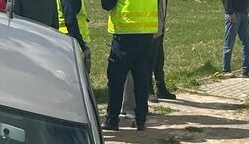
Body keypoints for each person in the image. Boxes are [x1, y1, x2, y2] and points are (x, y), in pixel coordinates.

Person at [101, 0, 158, 132]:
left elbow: (107, 4)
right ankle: (141, 119)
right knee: (141, 78)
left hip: (125, 31)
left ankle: (112, 119)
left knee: (116, 78)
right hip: (147, 30)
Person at [149, 0, 175, 101]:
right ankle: (148, 89)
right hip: (152, 27)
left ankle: (160, 87)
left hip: (160, 25)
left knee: (159, 58)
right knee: (151, 59)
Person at [223, 0, 249, 78]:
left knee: (247, 43)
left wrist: (248, 6)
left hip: (244, 13)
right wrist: (230, 12)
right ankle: (226, 70)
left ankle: (246, 71)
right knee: (229, 44)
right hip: (233, 14)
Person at [57, 0, 92, 74]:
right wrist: (82, 46)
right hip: (70, 39)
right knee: (75, 74)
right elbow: (70, 21)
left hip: (62, 37)